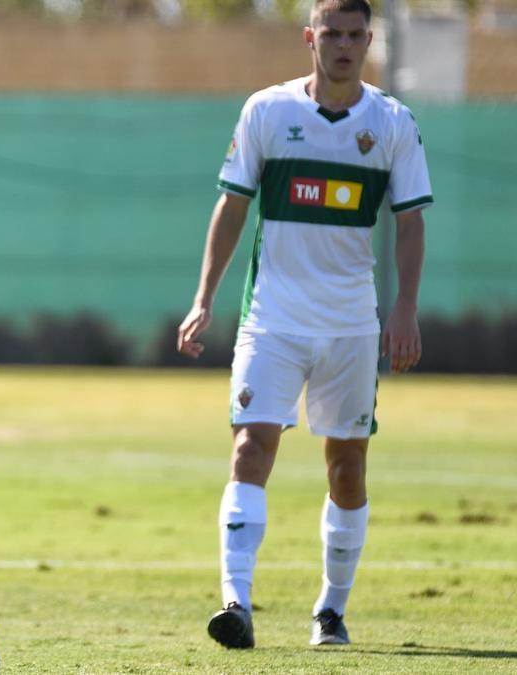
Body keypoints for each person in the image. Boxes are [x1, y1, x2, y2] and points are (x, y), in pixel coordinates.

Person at [176, 0, 432, 650]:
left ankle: (330, 609)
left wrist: (404, 307)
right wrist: (205, 295)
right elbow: (231, 206)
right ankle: (236, 602)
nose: (343, 46)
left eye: (354, 35)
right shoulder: (268, 111)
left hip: (350, 325)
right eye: (331, 33)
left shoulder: (392, 122)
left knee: (346, 466)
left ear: (369, 41)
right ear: (309, 38)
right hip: (273, 320)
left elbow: (409, 222)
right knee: (248, 449)